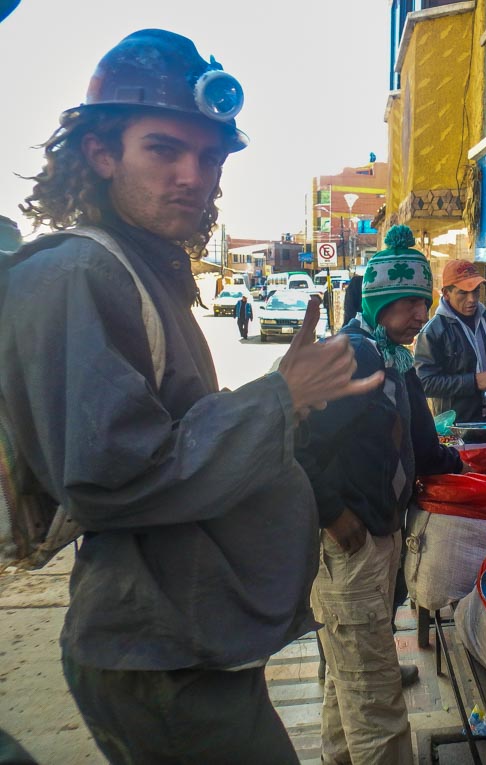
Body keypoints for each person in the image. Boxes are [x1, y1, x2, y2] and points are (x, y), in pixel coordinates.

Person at [0, 30, 382, 764]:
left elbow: (170, 429)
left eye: (208, 157)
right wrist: (278, 397)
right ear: (101, 153)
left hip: (186, 640)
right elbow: (119, 470)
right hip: (155, 653)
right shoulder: (85, 271)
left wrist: (282, 404)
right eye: (163, 149)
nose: (192, 175)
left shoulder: (146, 269)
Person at [296, 225, 463, 765]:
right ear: (380, 300)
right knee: (376, 700)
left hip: (377, 538)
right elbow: (294, 443)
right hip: (351, 545)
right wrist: (333, 514)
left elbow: (422, 443)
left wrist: (463, 462)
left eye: (424, 301)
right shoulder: (352, 355)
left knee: (349, 679)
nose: (421, 314)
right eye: (409, 302)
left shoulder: (395, 358)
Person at [414, 258, 486, 422]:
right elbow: (425, 383)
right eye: (463, 292)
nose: (472, 299)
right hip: (456, 425)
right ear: (446, 293)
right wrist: (473, 382)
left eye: (476, 291)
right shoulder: (433, 332)